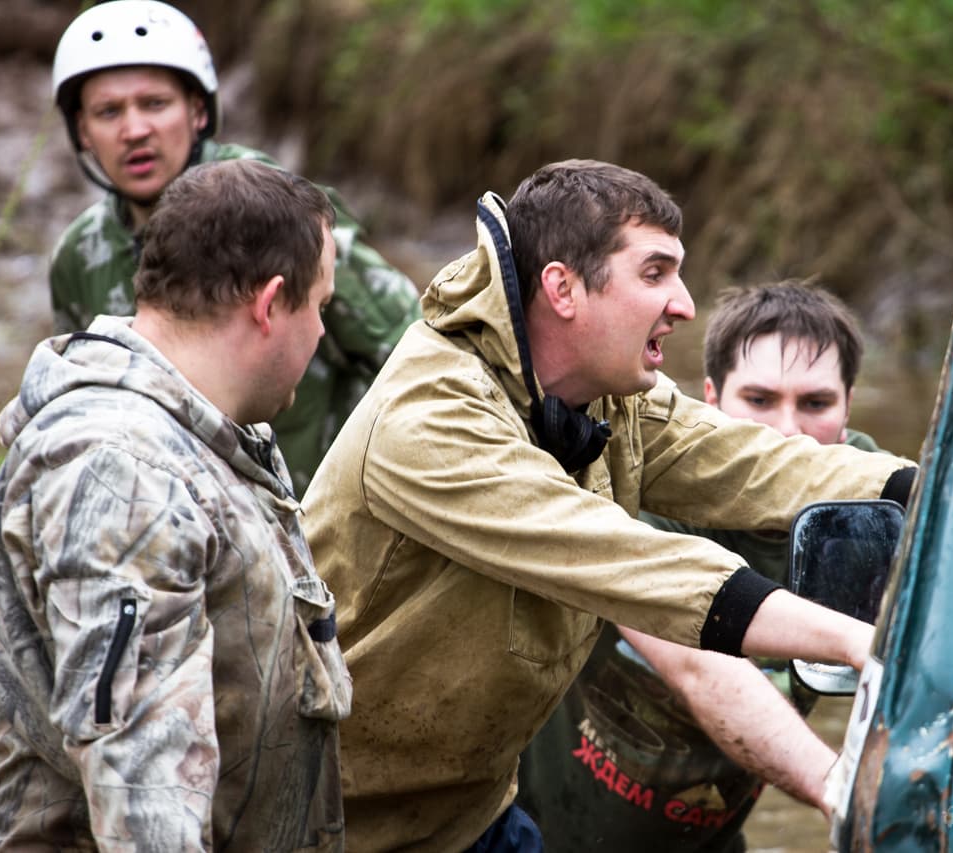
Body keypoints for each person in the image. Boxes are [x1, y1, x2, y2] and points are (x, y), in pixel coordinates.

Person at [301, 159, 916, 852]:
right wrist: (857, 641)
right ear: (563, 288)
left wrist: (940, 492)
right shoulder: (430, 417)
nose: (684, 304)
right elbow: (621, 556)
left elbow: (756, 460)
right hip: (334, 823)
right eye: (655, 274)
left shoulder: (613, 398)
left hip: (471, 813)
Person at [0, 159, 354, 850]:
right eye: (319, 305)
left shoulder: (208, 438)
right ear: (270, 303)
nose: (321, 332)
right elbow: (142, 784)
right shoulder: (125, 472)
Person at [517, 280, 888, 852]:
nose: (788, 432)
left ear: (847, 411)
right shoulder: (632, 486)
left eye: (815, 404)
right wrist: (840, 788)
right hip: (542, 834)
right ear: (710, 403)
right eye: (759, 401)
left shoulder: (876, 514)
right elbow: (702, 669)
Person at [48, 0, 420, 495]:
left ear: (197, 111)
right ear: (83, 133)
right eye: (108, 111)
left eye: (155, 104)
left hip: (310, 511)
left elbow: (412, 349)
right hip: (179, 512)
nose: (134, 130)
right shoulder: (78, 255)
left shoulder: (278, 213)